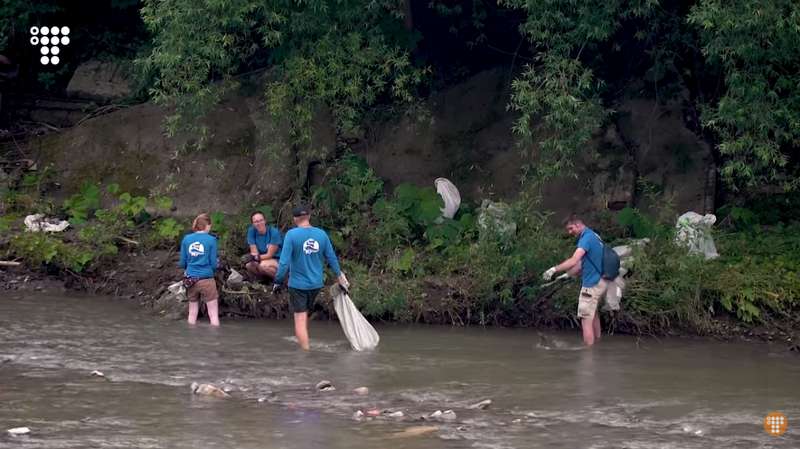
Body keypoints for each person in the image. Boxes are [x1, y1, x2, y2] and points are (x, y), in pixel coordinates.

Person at [272, 204, 349, 350]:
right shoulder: (321, 234)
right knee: (305, 317)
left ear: (295, 219)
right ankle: (305, 348)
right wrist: (339, 277)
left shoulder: (291, 235)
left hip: (298, 286)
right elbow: (331, 258)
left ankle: (305, 356)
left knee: (300, 322)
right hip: (316, 285)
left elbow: (283, 263)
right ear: (309, 216)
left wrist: (277, 281)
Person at [542, 214, 608, 346]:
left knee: (585, 319)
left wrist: (554, 269)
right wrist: (567, 275)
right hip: (602, 282)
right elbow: (581, 264)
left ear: (578, 224)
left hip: (591, 285)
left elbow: (574, 260)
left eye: (571, 228)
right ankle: (598, 346)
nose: (570, 232)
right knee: (593, 313)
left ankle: (588, 355)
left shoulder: (586, 238)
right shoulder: (595, 236)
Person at [179, 213, 220, 326]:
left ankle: (191, 340)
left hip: (191, 280)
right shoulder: (211, 240)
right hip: (207, 279)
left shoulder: (186, 239)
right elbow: (213, 264)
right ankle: (215, 340)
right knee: (213, 315)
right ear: (207, 225)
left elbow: (182, 262)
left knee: (192, 314)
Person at [244, 211, 283, 281]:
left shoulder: (274, 232)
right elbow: (254, 252)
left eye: (261, 220)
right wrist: (254, 258)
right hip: (262, 258)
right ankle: (264, 280)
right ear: (253, 224)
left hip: (277, 259)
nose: (259, 223)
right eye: (256, 222)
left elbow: (269, 255)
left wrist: (255, 258)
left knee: (263, 265)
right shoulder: (251, 231)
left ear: (265, 221)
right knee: (249, 266)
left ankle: (280, 280)